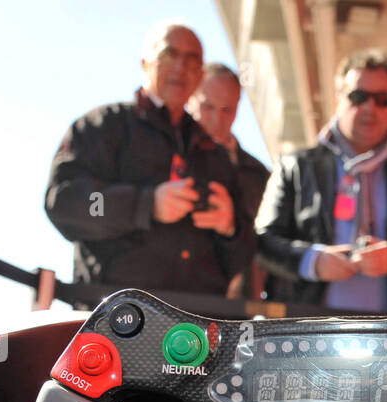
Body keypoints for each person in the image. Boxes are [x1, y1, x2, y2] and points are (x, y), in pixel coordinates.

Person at [44, 21, 254, 300]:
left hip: (196, 327)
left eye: (191, 61)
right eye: (169, 56)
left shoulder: (214, 155)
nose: (179, 68)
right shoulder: (104, 127)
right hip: (117, 317)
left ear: (200, 75)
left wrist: (231, 228)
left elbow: (245, 256)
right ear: (145, 63)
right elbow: (66, 204)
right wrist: (144, 204)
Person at [255, 49, 387, 313]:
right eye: (358, 96)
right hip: (304, 331)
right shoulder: (295, 166)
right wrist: (312, 260)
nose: (370, 108)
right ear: (338, 98)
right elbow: (262, 242)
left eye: (382, 99)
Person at [187, 63, 270, 300]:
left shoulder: (259, 174)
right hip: (174, 295)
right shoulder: (167, 157)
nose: (216, 119)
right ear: (190, 99)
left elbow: (267, 245)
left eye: (227, 110)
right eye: (207, 106)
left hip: (237, 306)